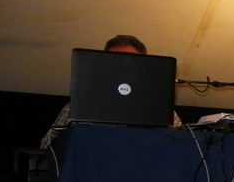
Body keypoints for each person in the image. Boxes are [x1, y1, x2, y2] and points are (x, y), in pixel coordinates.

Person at [39, 34, 182, 149]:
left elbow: (182, 149)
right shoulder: (77, 107)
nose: (122, 68)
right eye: (115, 62)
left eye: (128, 63)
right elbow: (46, 145)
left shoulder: (164, 113)